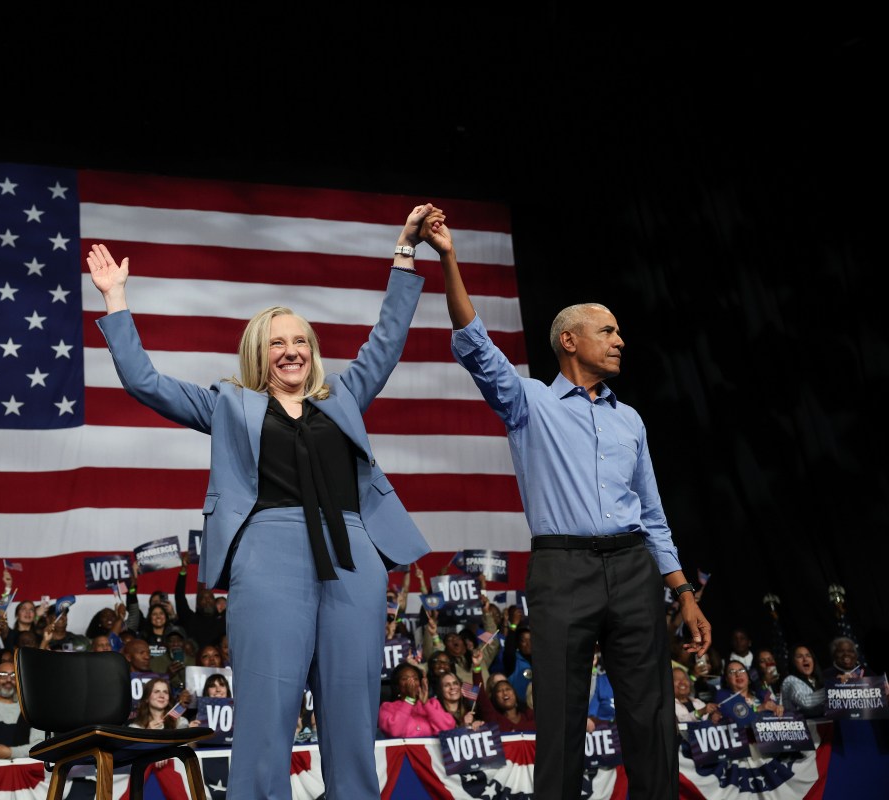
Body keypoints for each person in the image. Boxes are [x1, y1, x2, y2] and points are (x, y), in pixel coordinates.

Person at [87, 204, 436, 799]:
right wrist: (116, 299)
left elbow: (387, 340)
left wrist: (404, 254)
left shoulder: (343, 395)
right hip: (269, 553)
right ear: (259, 351)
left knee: (352, 708)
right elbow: (144, 382)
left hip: (354, 550)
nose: (292, 350)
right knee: (267, 709)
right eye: (279, 342)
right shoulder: (229, 404)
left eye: (301, 340)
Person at [429, 215, 711, 800]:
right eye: (607, 331)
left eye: (618, 332)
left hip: (634, 569)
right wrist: (449, 257)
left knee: (651, 717)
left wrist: (683, 593)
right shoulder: (528, 401)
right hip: (563, 571)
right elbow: (474, 342)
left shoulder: (629, 418)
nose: (620, 340)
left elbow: (653, 516)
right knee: (559, 718)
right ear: (569, 340)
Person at [377, 662, 456, 738]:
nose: (411, 682)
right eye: (405, 679)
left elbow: (448, 729)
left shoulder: (432, 704)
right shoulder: (387, 707)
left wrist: (426, 704)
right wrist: (409, 700)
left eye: (415, 678)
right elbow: (394, 731)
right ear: (397, 686)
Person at [716, 658, 781, 721]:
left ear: (748, 677)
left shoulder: (761, 693)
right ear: (727, 680)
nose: (738, 674)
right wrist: (758, 709)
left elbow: (775, 706)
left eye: (741, 670)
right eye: (732, 672)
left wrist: (779, 709)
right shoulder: (722, 696)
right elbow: (734, 715)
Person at [781, 645, 827, 718]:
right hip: (799, 727)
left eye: (808, 655)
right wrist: (831, 690)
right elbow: (804, 701)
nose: (805, 659)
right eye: (800, 656)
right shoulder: (790, 680)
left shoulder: (818, 680)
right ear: (793, 662)